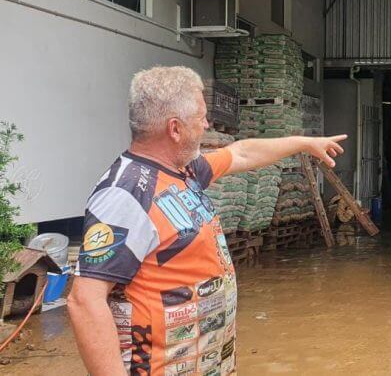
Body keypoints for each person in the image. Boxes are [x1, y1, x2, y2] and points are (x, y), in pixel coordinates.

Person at [67, 66, 346, 376]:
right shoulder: (127, 194)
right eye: (200, 118)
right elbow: (85, 301)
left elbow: (240, 154)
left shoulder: (184, 171)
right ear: (174, 129)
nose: (206, 124)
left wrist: (304, 144)